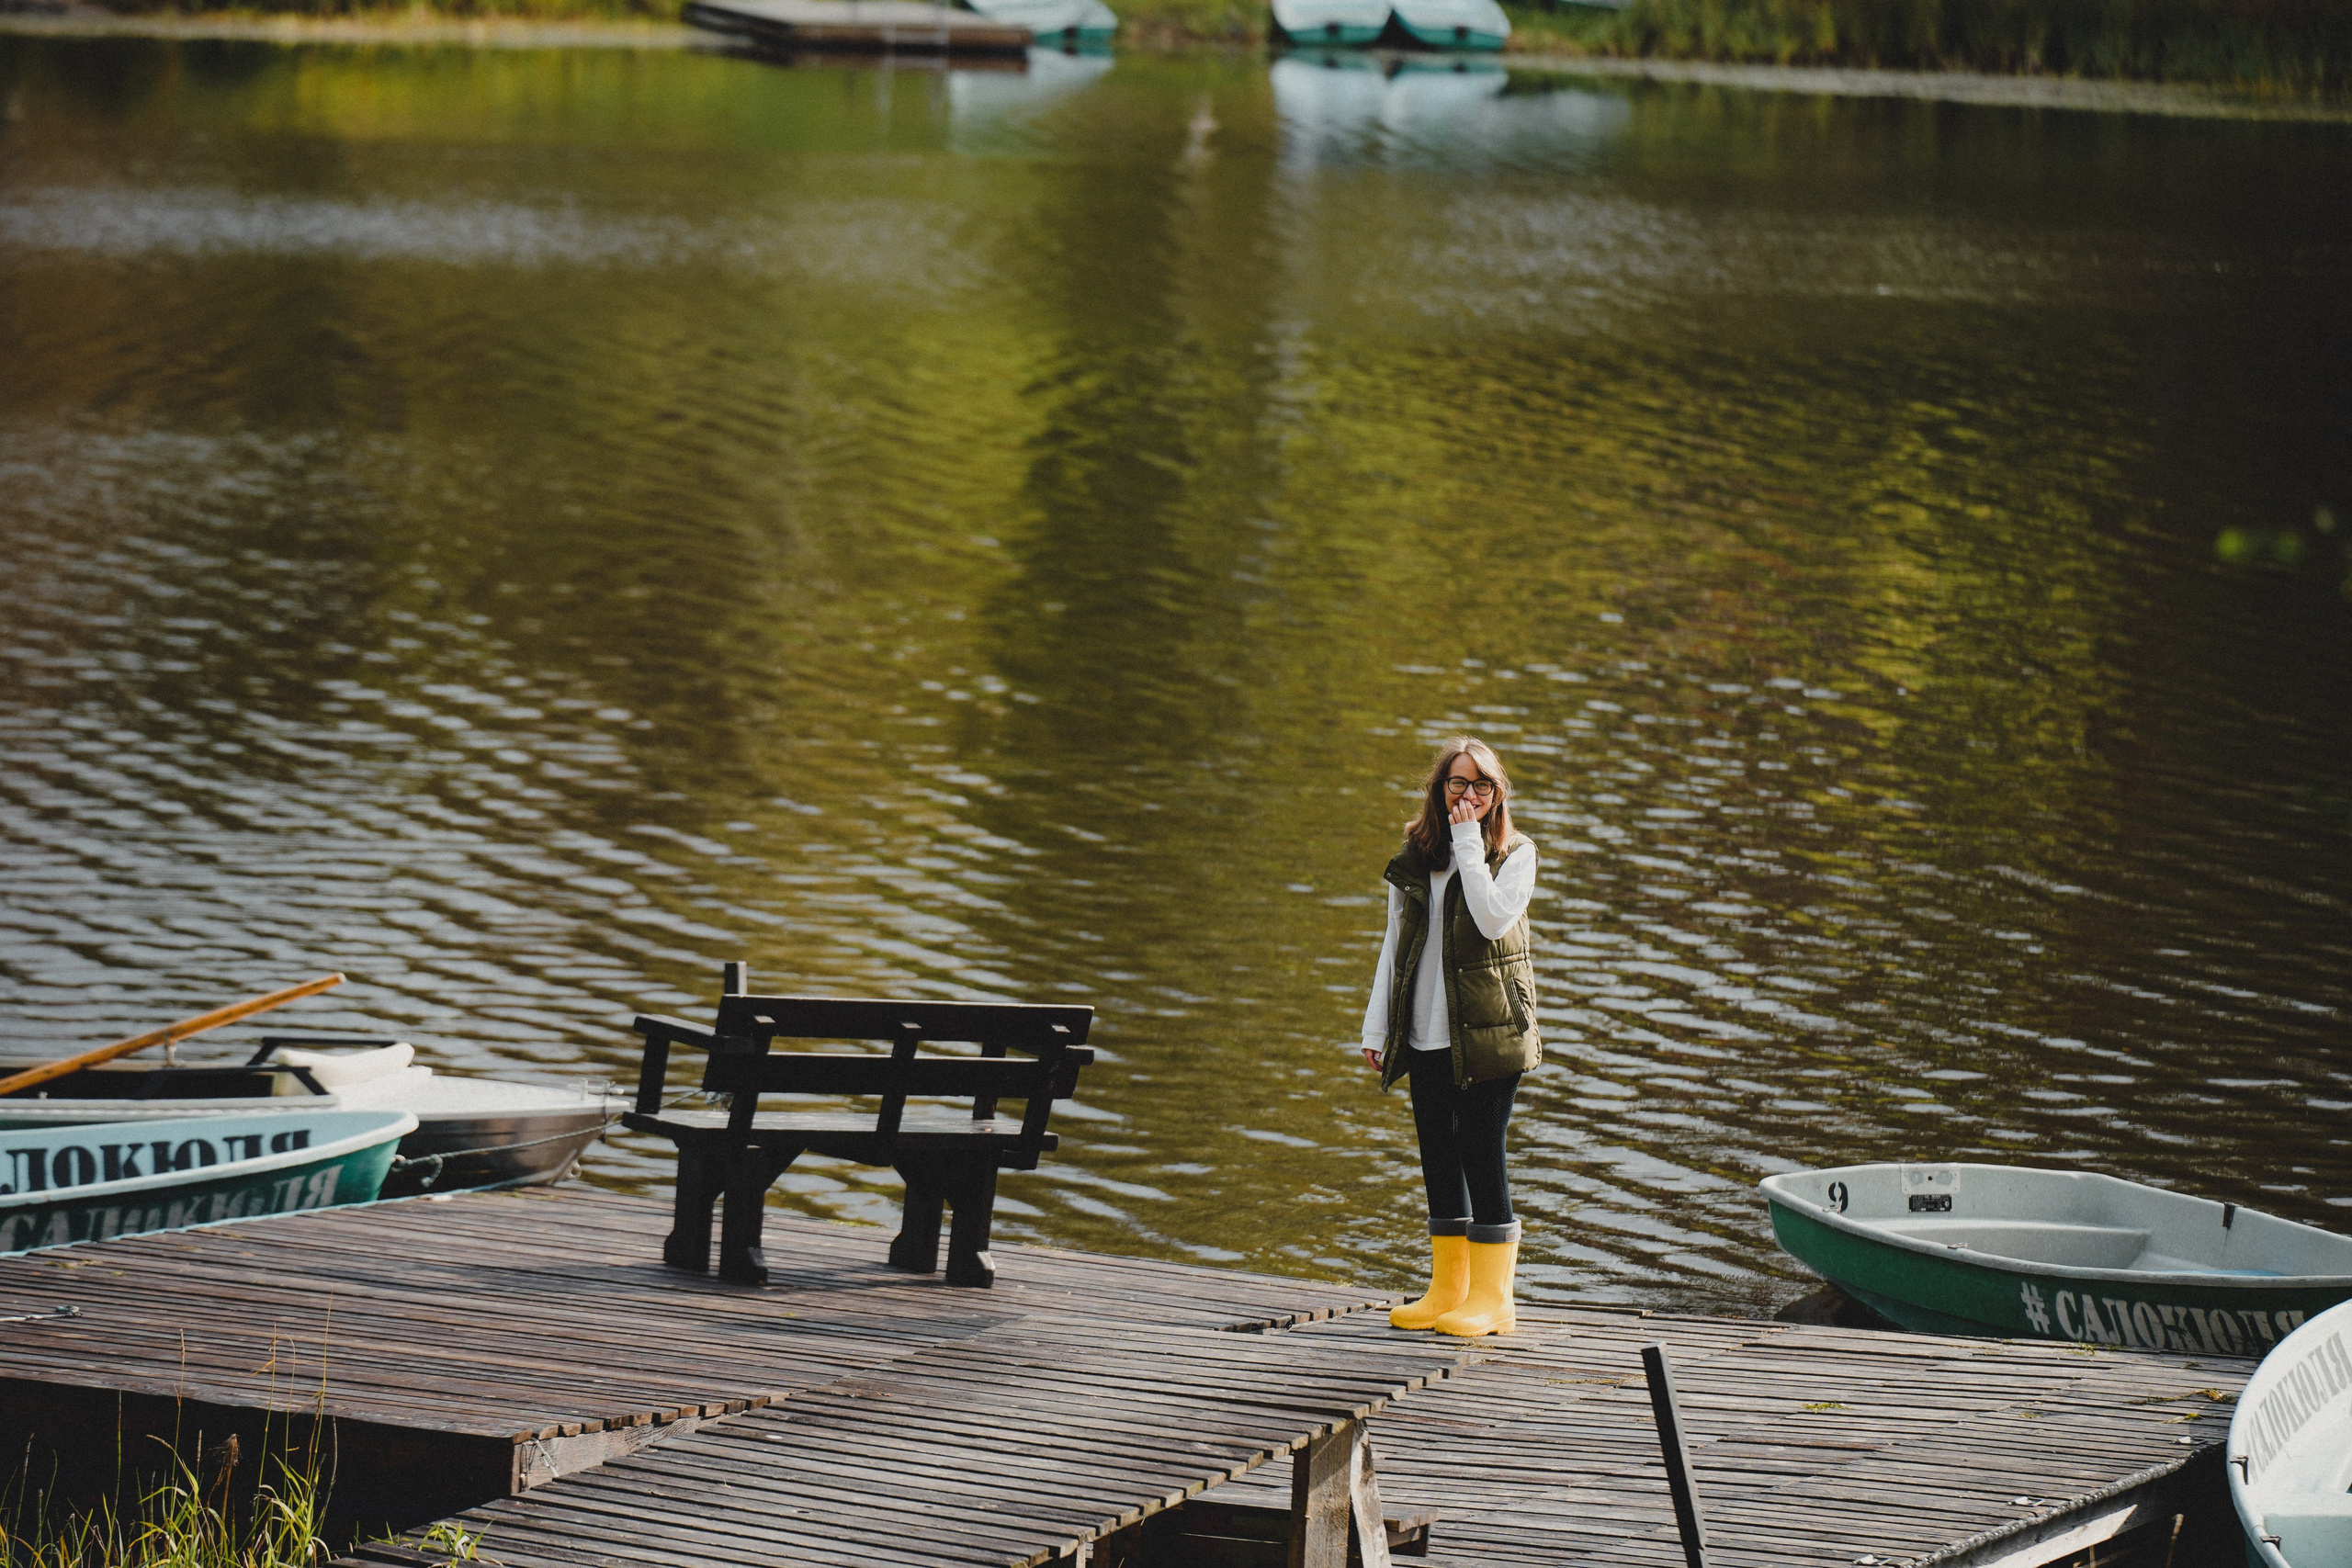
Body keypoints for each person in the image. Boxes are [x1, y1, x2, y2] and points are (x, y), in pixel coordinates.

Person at [1359, 737, 1541, 1337]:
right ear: (1439, 788)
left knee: (1481, 1151)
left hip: (1490, 1036)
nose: (1469, 794)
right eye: (1457, 782)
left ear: (1497, 793)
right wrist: (1378, 1027)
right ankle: (1448, 1290)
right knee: (1437, 1153)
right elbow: (1393, 945)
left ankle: (1494, 1299)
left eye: (1481, 784)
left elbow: (1490, 920)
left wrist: (1468, 841)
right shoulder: (1416, 857)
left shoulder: (1516, 854)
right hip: (1425, 1030)